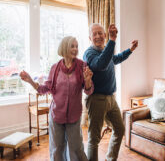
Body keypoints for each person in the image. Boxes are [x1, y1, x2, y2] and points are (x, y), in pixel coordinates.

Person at [20, 36, 94, 161]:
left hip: (74, 116)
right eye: (72, 46)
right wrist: (31, 81)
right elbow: (44, 89)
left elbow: (89, 91)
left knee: (76, 148)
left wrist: (88, 81)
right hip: (56, 115)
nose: (75, 49)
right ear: (64, 47)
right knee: (57, 150)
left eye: (76, 46)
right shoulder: (55, 68)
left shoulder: (82, 66)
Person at [83, 23, 138, 161]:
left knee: (119, 129)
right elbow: (100, 64)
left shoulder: (105, 51)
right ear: (90, 37)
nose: (98, 36)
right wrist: (112, 41)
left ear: (104, 35)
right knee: (94, 139)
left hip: (111, 99)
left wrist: (130, 50)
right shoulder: (89, 53)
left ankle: (110, 158)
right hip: (96, 100)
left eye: (100, 33)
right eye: (94, 34)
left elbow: (116, 58)